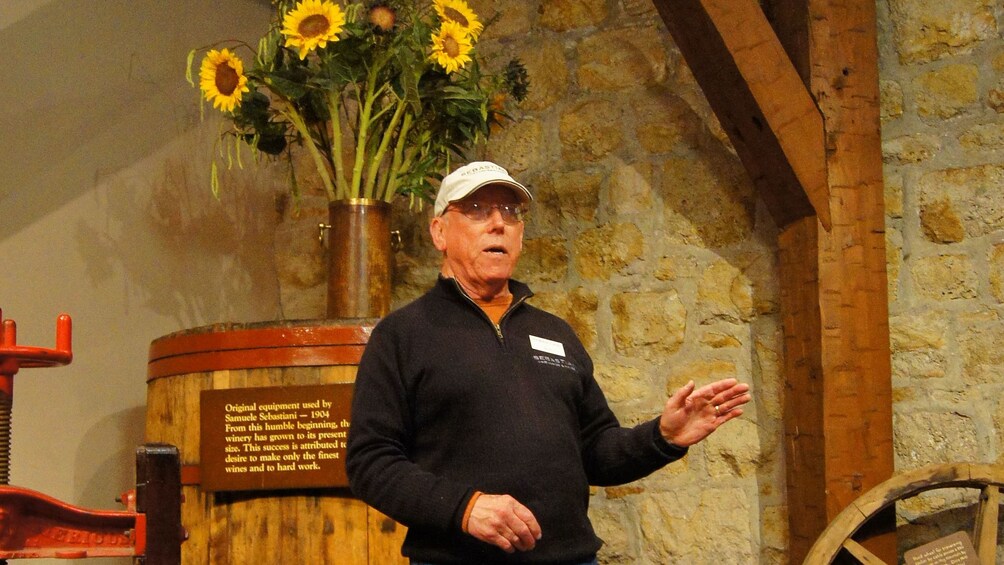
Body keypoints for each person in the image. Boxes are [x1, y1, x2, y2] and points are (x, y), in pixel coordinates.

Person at [346, 161, 751, 564]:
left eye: (510, 212)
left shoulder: (555, 332)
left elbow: (595, 451)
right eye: (476, 210)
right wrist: (464, 508)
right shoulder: (403, 335)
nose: (497, 223)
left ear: (520, 236)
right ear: (439, 232)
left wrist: (662, 438)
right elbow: (371, 463)